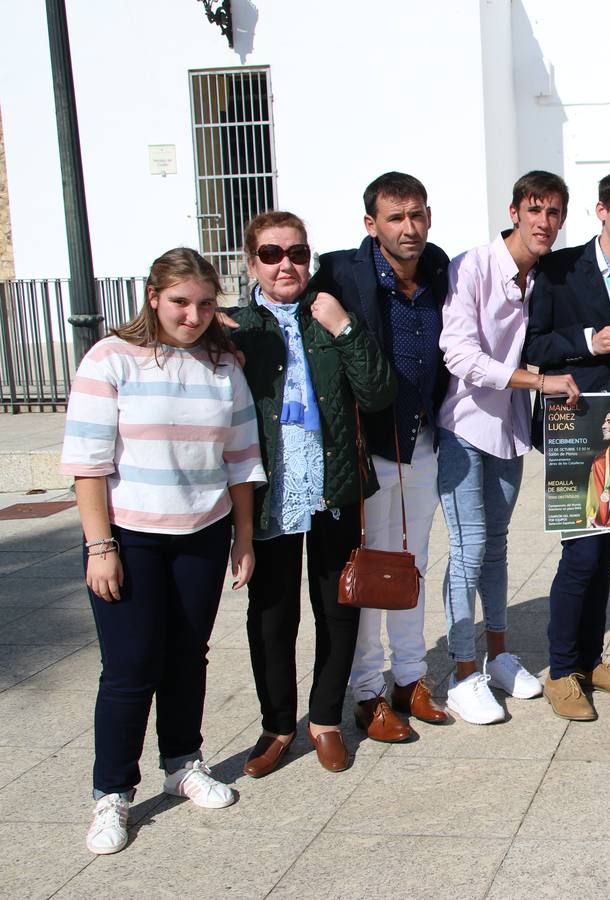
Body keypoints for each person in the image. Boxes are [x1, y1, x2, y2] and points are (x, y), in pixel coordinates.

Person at [61, 248, 264, 854]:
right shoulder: (110, 359)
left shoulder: (223, 367)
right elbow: (88, 464)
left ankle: (182, 764)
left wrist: (243, 538)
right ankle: (113, 795)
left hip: (202, 533)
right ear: (154, 297)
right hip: (130, 535)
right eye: (180, 301)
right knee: (129, 669)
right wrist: (101, 547)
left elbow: (242, 459)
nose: (193, 314)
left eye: (205, 304)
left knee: (187, 657)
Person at [227, 211, 397, 775]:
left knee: (337, 608)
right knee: (273, 615)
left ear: (311, 259)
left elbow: (376, 393)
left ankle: (325, 719)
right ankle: (278, 726)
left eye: (297, 253)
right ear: (252, 263)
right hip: (271, 492)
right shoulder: (236, 330)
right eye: (272, 254)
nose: (286, 265)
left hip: (334, 487)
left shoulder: (329, 314)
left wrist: (344, 327)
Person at [310, 172, 451, 739]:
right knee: (368, 573)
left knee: (411, 563)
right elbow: (286, 300)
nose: (409, 227)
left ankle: (411, 677)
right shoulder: (343, 270)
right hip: (369, 452)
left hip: (422, 443)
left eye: (417, 214)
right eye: (396, 217)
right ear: (372, 225)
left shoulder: (438, 268)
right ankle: (367, 692)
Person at [437, 170, 577, 725]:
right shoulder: (471, 266)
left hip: (510, 428)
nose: (544, 222)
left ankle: (497, 654)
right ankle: (461, 671)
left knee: (496, 547)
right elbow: (460, 356)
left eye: (554, 214)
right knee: (468, 550)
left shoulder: (543, 277)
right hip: (462, 426)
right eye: (535, 210)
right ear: (515, 210)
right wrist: (537, 381)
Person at [523, 169, 610, 721]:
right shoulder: (559, 270)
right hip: (574, 418)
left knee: (606, 552)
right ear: (601, 210)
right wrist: (587, 341)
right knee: (581, 552)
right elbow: (532, 342)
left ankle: (589, 659)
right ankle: (561, 671)